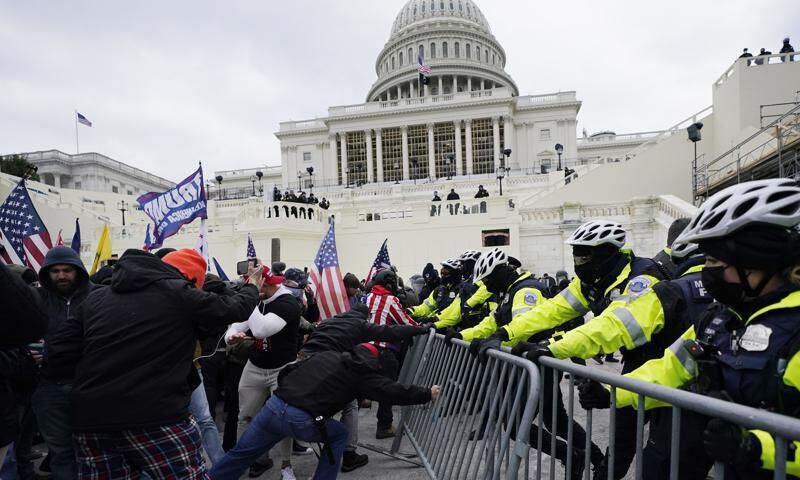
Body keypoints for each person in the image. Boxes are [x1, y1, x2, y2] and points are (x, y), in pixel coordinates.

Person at [588, 179, 800, 479]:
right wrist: (610, 392)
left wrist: (754, 446)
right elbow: (669, 369)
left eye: (714, 260)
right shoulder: (719, 319)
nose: (706, 270)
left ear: (754, 261)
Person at [473, 220, 668, 479]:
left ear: (607, 252)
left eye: (583, 255)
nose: (578, 261)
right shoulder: (592, 280)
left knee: (666, 454)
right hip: (637, 365)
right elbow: (551, 310)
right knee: (621, 442)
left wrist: (553, 348)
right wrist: (506, 332)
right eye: (575, 254)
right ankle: (599, 467)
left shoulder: (642, 279)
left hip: (670, 366)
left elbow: (612, 326)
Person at [45, 248, 260, 479]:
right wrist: (252, 286)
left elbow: (59, 351)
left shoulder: (96, 298)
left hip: (92, 422)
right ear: (189, 278)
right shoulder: (176, 291)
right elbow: (234, 309)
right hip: (156, 417)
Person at [522, 240, 710, 479]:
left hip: (660, 384)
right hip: (651, 376)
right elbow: (673, 365)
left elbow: (617, 325)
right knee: (641, 451)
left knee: (654, 459)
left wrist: (554, 347)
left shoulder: (653, 282)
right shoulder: (716, 311)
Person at [211, 343, 439, 480]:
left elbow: (289, 370)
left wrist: (291, 393)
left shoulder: (328, 355)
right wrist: (427, 393)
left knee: (240, 454)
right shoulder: (363, 376)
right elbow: (392, 391)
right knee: (339, 434)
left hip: (273, 408)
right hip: (300, 419)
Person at [300, 303, 428, 471]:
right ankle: (349, 454)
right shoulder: (360, 324)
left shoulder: (329, 321)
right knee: (350, 404)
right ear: (365, 317)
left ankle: (275, 458)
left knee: (290, 403)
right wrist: (420, 329)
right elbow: (390, 332)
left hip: (301, 362)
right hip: (324, 364)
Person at [31, 246, 99, 480]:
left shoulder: (99, 296)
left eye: (67, 270)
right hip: (49, 387)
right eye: (56, 271)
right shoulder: (36, 299)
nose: (61, 276)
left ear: (78, 270)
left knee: (95, 450)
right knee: (60, 452)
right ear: (46, 274)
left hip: (91, 386)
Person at [232, 265, 301, 480]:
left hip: (282, 368)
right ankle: (243, 463)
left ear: (266, 284)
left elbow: (261, 330)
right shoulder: (259, 299)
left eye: (252, 284)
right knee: (244, 417)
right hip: (255, 366)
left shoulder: (287, 302)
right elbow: (236, 324)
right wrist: (232, 335)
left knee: (284, 419)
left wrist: (250, 298)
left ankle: (286, 465)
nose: (248, 288)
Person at [0, 262, 47, 471]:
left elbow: (32, 322)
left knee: (22, 439)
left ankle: (24, 470)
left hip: (25, 390)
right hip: (15, 390)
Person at [365, 269, 419, 439]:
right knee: (387, 389)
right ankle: (385, 426)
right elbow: (405, 322)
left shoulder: (367, 298)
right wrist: (422, 327)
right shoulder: (390, 300)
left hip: (363, 348)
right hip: (383, 351)